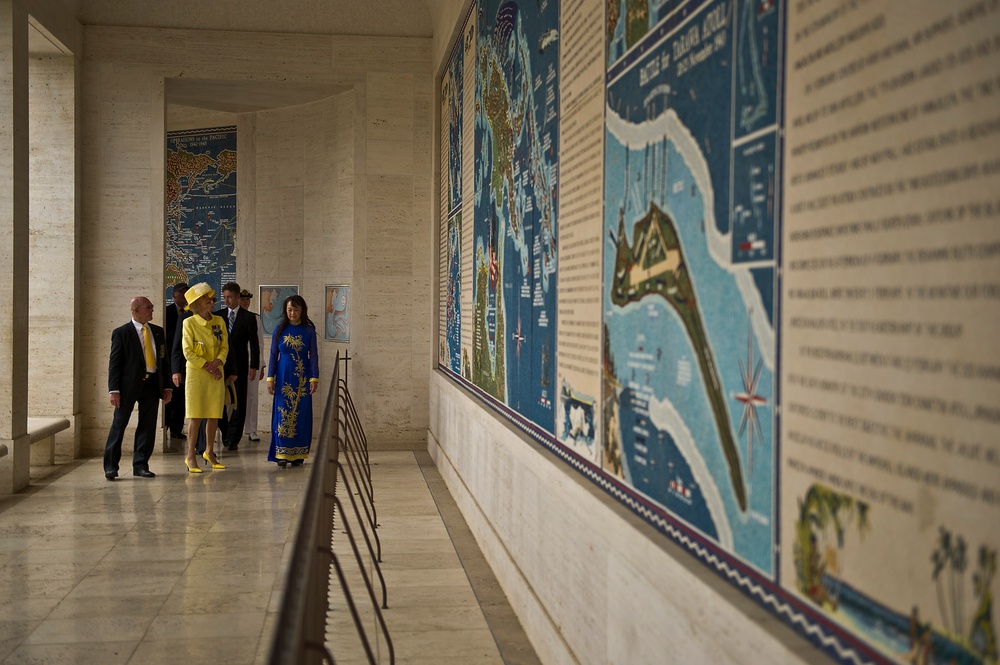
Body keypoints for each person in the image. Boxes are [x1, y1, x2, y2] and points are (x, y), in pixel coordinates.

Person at [103, 296, 172, 480]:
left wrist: (167, 386)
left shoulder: (157, 332)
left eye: (152, 306)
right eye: (148, 307)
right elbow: (114, 363)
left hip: (151, 384)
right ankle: (110, 466)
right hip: (127, 387)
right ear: (135, 310)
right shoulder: (122, 333)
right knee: (119, 424)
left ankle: (140, 464)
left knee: (147, 426)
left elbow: (164, 361)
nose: (152, 310)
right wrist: (114, 390)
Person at [267, 295, 319, 468]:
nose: (293, 313)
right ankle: (282, 453)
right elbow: (274, 355)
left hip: (302, 377)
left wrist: (314, 378)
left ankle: (299, 453)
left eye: (296, 310)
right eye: (290, 310)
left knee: (301, 413)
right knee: (282, 413)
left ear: (302, 311)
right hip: (283, 377)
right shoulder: (279, 329)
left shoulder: (309, 330)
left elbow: (313, 356)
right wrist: (270, 378)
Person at [181, 282, 228, 473]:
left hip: (216, 372)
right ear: (196, 304)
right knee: (196, 415)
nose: (210, 301)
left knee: (214, 413)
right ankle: (190, 456)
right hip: (197, 374)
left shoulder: (219, 321)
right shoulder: (189, 323)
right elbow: (187, 351)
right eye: (205, 298)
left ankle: (210, 451)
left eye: (209, 298)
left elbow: (225, 346)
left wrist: (217, 363)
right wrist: (207, 366)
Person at [215, 282, 260, 451]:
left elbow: (254, 344)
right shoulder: (217, 316)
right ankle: (225, 433)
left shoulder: (248, 318)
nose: (227, 300)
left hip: (241, 365)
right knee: (219, 402)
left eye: (230, 297)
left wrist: (254, 366)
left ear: (237, 297)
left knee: (239, 402)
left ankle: (234, 438)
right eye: (225, 297)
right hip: (221, 365)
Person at [239, 288, 265, 441]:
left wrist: (260, 365)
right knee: (231, 399)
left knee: (252, 397)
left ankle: (251, 429)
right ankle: (228, 428)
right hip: (235, 364)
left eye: (247, 300)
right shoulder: (229, 317)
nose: (245, 302)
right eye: (243, 299)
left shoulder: (255, 318)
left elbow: (259, 343)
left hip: (251, 364)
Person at [164, 282, 188, 441]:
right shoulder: (168, 312)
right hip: (170, 361)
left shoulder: (190, 313)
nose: (184, 298)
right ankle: (165, 426)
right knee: (170, 397)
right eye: (182, 295)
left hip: (185, 361)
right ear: (174, 295)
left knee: (181, 400)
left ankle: (176, 429)